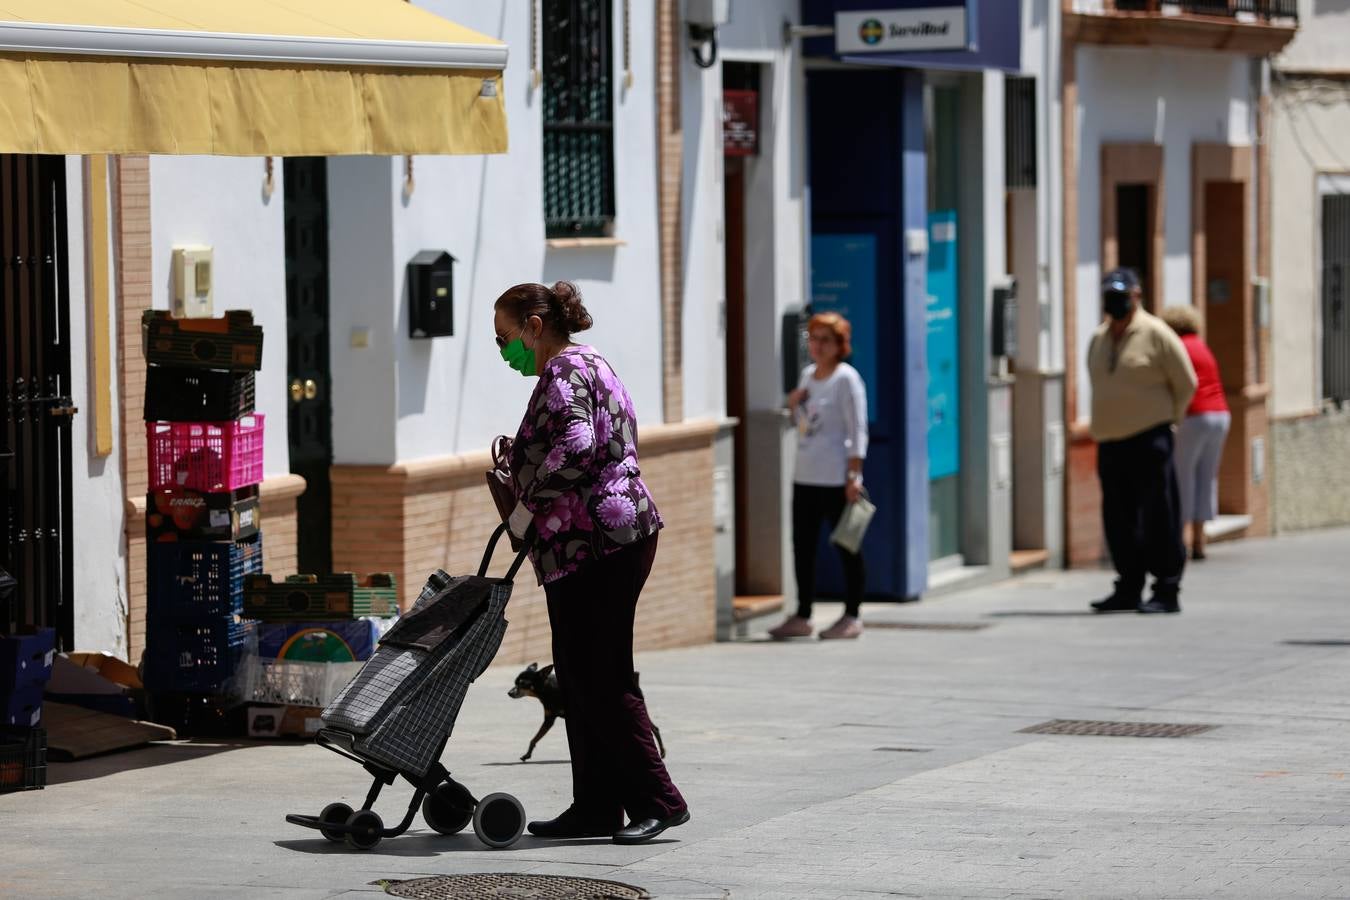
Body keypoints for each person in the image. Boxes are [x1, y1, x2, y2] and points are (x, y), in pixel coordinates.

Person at [494, 281, 688, 845]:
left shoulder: (562, 371)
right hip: (607, 538)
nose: (503, 350)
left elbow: (578, 445)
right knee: (581, 677)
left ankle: (659, 801)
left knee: (599, 676)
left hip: (596, 544)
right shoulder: (591, 362)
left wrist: (528, 508)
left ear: (535, 325)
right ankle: (596, 806)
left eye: (504, 337)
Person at [1087, 269, 1197, 615]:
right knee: (1118, 518)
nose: (1113, 302)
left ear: (1137, 295)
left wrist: (1169, 421)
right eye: (1108, 295)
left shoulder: (1157, 334)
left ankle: (1167, 588)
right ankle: (1128, 586)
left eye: (1120, 295)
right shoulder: (1100, 338)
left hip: (1150, 439)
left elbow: (1186, 383)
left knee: (1159, 514)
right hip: (1110, 440)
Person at [768, 312, 869, 641]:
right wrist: (794, 403)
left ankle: (852, 615)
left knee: (847, 546)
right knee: (803, 546)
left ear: (840, 345)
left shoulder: (847, 379)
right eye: (814, 339)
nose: (818, 346)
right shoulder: (808, 375)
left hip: (837, 477)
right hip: (806, 474)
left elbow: (857, 430)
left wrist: (854, 475)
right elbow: (805, 424)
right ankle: (803, 614)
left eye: (826, 340)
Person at [1160, 305, 1231, 561]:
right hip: (1220, 415)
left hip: (1193, 416)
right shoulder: (1201, 345)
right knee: (1206, 477)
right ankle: (1200, 541)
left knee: (1182, 478)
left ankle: (1180, 541)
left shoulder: (1178, 346)